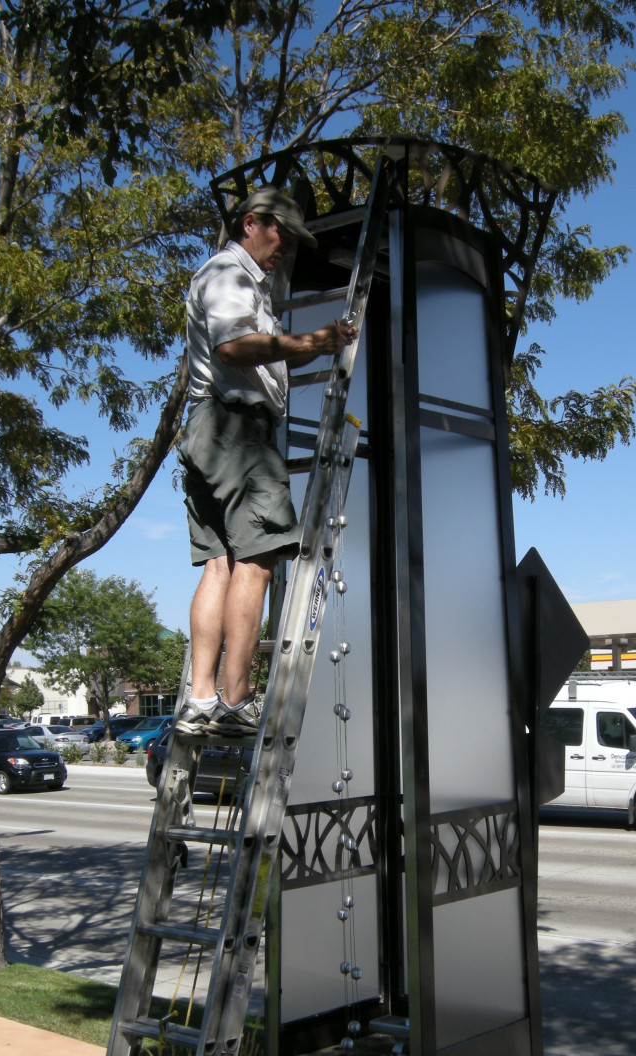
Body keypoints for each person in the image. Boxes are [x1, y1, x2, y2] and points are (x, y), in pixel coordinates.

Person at [175, 187, 357, 741]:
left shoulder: (227, 277)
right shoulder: (229, 276)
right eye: (280, 236)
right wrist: (314, 342)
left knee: (220, 566)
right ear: (251, 223)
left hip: (208, 429)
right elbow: (234, 348)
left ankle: (201, 698)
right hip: (237, 431)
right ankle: (235, 700)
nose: (285, 250)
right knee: (257, 563)